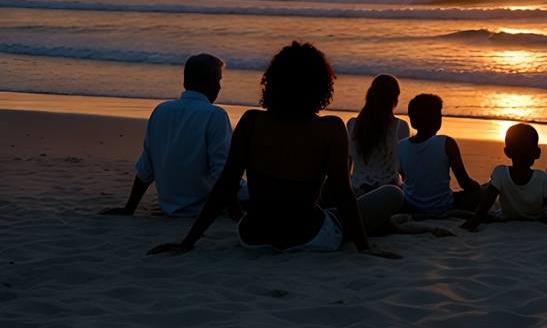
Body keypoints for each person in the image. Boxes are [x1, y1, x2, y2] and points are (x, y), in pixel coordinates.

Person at [148, 42, 402, 257]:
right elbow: (344, 194)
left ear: (273, 81)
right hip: (309, 237)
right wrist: (364, 248)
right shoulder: (331, 128)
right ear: (321, 85)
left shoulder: (251, 121)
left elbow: (225, 185)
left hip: (253, 236)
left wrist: (187, 242)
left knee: (329, 211)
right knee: (392, 194)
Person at [102, 53, 240, 218]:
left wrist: (129, 208)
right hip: (203, 206)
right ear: (211, 83)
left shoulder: (161, 110)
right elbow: (222, 172)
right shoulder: (215, 115)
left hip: (170, 206)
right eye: (218, 81)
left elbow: (146, 166)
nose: (219, 87)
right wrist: (236, 213)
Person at [462, 123, 547, 232]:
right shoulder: (543, 178)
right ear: (537, 153)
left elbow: (487, 201)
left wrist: (475, 220)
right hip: (538, 218)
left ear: (507, 152)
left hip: (508, 217)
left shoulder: (500, 172)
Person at [397, 93, 485, 214]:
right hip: (444, 205)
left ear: (412, 120)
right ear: (437, 119)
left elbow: (406, 179)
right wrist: (478, 187)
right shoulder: (446, 143)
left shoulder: (400, 146)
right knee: (487, 191)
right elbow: (465, 183)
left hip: (412, 206)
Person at [348, 74, 410, 194]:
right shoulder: (400, 126)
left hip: (357, 189)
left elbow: (348, 162)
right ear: (395, 99)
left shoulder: (352, 124)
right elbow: (403, 167)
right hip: (388, 190)